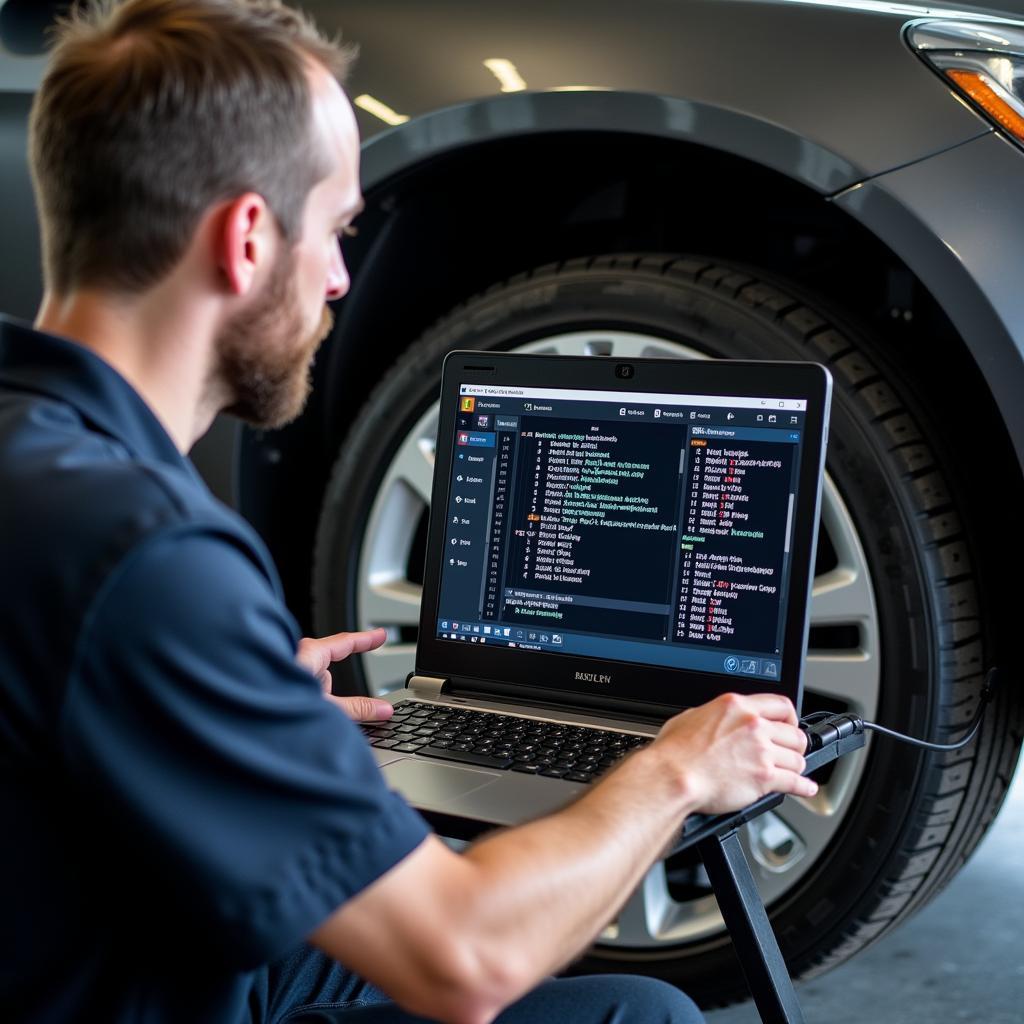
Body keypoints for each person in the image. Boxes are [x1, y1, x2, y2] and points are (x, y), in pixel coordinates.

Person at [0, 2, 818, 1022]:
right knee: (638, 1017)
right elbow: (461, 959)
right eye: (338, 231)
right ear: (247, 238)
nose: (342, 277)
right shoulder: (146, 555)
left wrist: (216, 700)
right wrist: (674, 771)